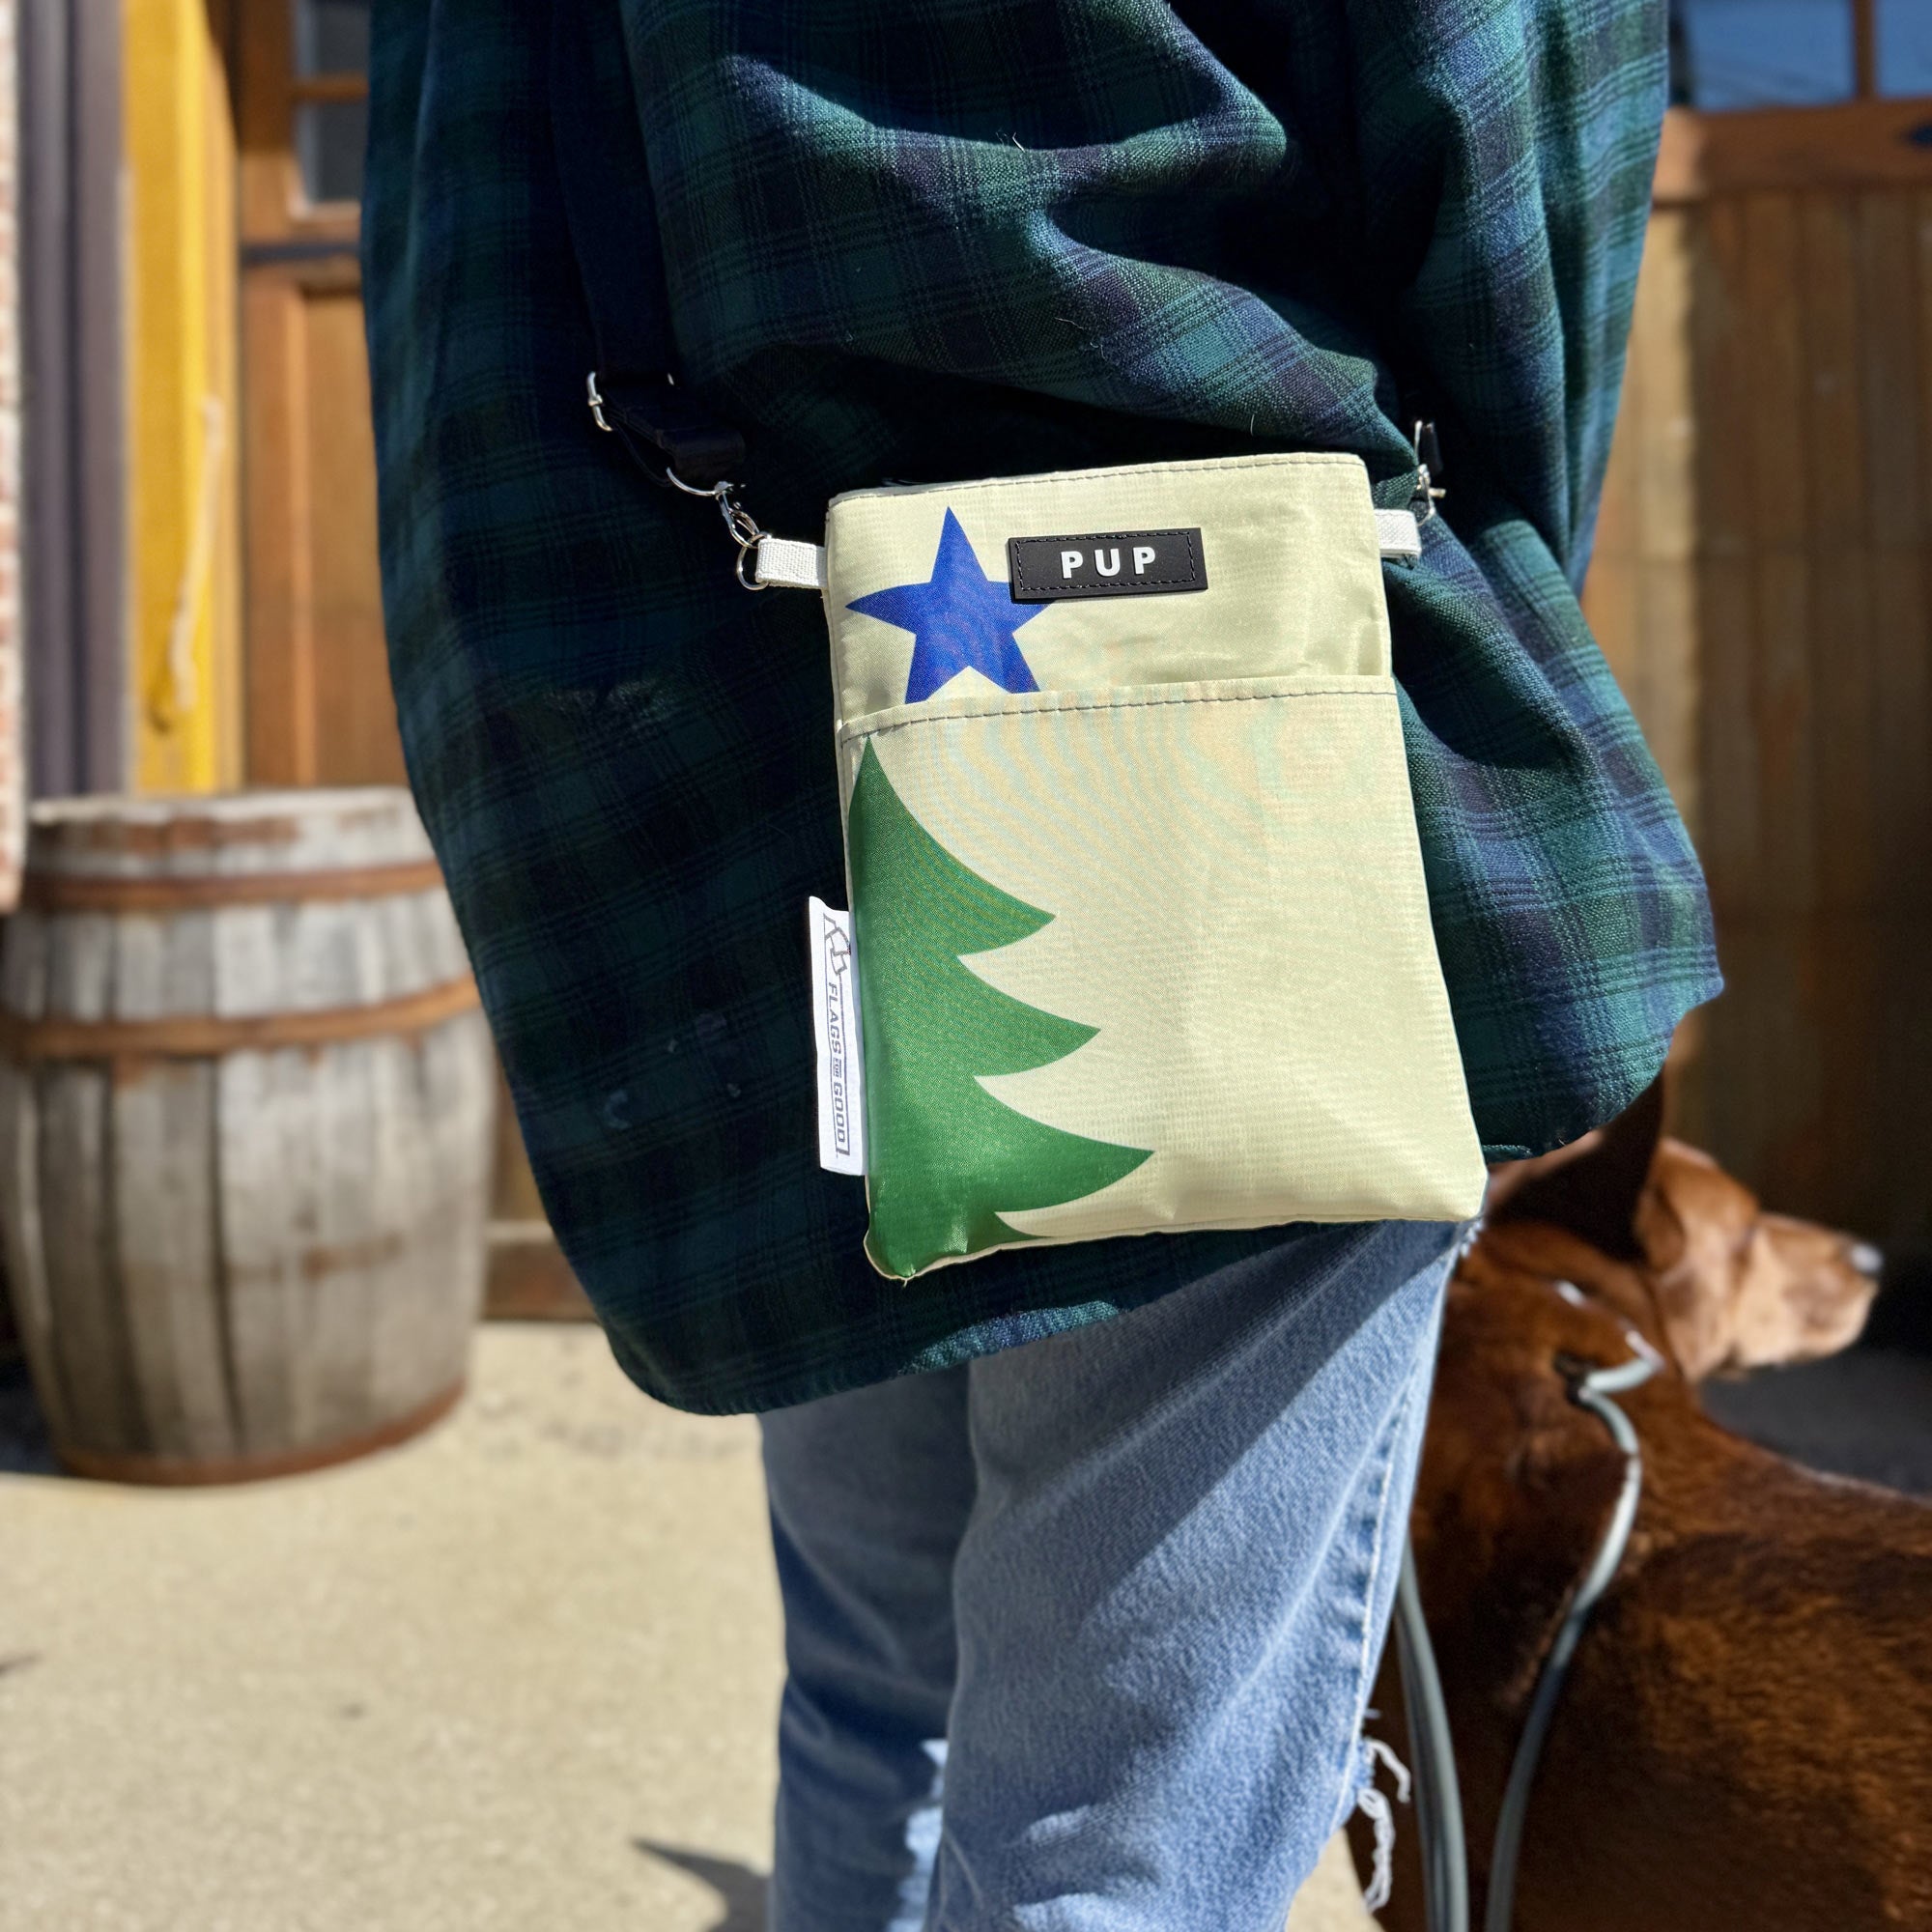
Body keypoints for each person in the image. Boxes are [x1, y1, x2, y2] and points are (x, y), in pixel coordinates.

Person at [361, 5, 1718, 1927]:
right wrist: (1445, 623)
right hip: (1221, 727)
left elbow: (458, 280)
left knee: (877, 1703)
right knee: (1126, 1839)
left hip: (724, 764)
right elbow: (1520, 148)